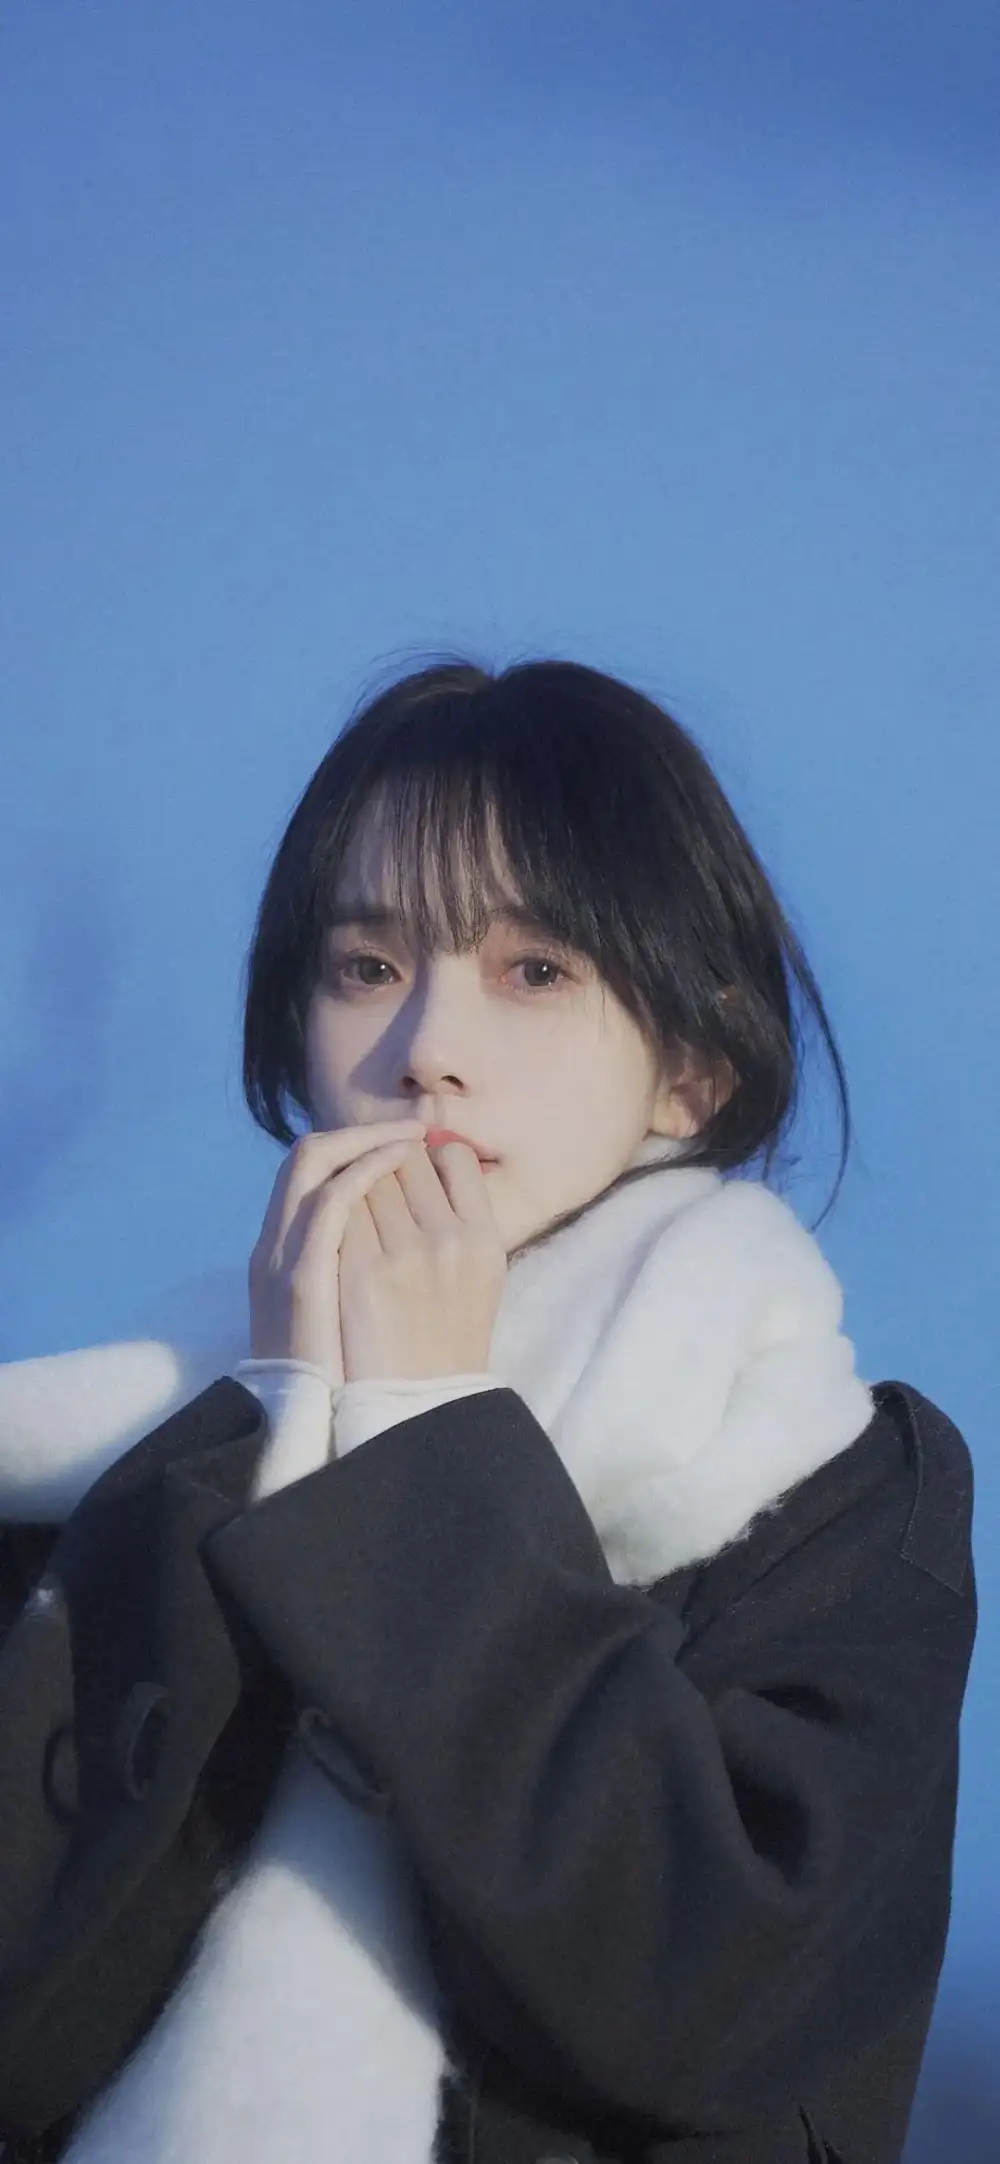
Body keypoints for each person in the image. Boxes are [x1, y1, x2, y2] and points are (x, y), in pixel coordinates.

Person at [0, 658, 976, 2164]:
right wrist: (275, 1420)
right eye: (366, 965)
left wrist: (419, 1436)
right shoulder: (97, 1460)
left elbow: (703, 2003)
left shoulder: (836, 1486)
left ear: (693, 1073)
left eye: (535, 971)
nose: (425, 1049)